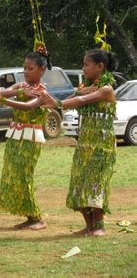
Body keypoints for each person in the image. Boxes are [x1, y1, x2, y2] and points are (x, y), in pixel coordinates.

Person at [41, 49, 118, 236]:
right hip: (84, 144)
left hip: (102, 146)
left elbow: (82, 100)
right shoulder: (86, 86)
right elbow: (74, 99)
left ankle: (99, 227)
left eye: (86, 65)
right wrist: (76, 91)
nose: (83, 69)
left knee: (95, 183)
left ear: (100, 67)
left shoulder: (106, 89)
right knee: (79, 182)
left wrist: (57, 103)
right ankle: (89, 226)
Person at [0, 51, 51, 230]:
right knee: (13, 175)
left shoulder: (42, 92)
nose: (25, 71)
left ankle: (37, 217)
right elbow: (6, 92)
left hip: (31, 138)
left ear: (41, 70)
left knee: (24, 176)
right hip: (15, 136)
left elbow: (28, 106)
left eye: (30, 68)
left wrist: (3, 99)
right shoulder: (22, 85)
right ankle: (30, 216)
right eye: (24, 67)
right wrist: (2, 92)